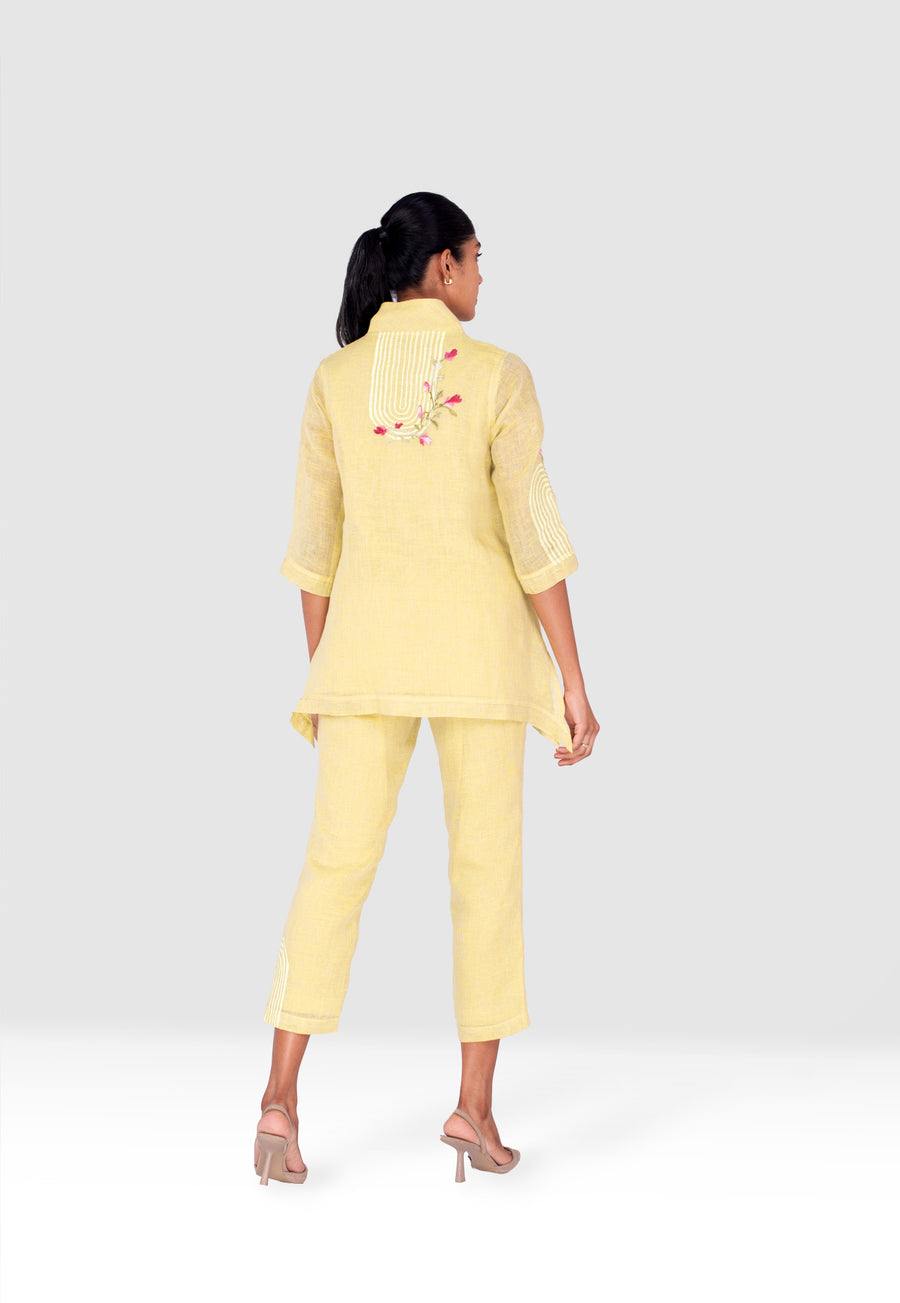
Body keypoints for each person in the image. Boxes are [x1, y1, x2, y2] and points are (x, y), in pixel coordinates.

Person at [254, 191, 599, 1186]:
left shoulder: (332, 380)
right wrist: (574, 682)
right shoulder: (497, 375)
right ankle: (472, 1110)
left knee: (334, 869)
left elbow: (314, 553)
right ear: (442, 267)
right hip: (479, 660)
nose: (483, 276)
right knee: (485, 874)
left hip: (362, 659)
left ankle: (278, 1098)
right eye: (477, 258)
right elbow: (533, 538)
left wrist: (325, 676)